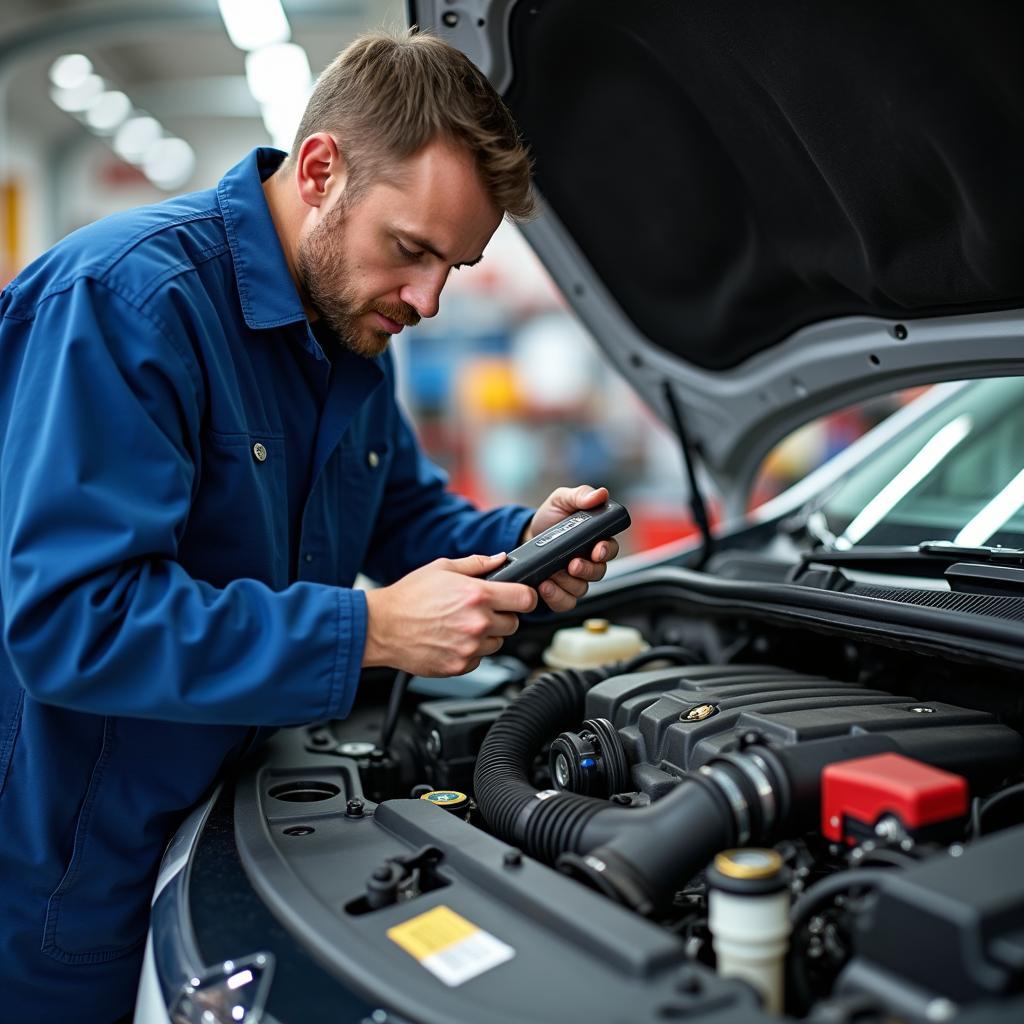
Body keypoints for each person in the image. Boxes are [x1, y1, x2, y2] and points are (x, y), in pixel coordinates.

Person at [0, 28, 619, 1023]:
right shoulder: (128, 303)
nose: (427, 299)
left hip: (231, 817)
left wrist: (528, 539)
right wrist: (370, 630)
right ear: (322, 169)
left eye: (453, 267)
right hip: (68, 874)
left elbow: (405, 515)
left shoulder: (348, 328)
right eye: (412, 250)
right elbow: (75, 620)